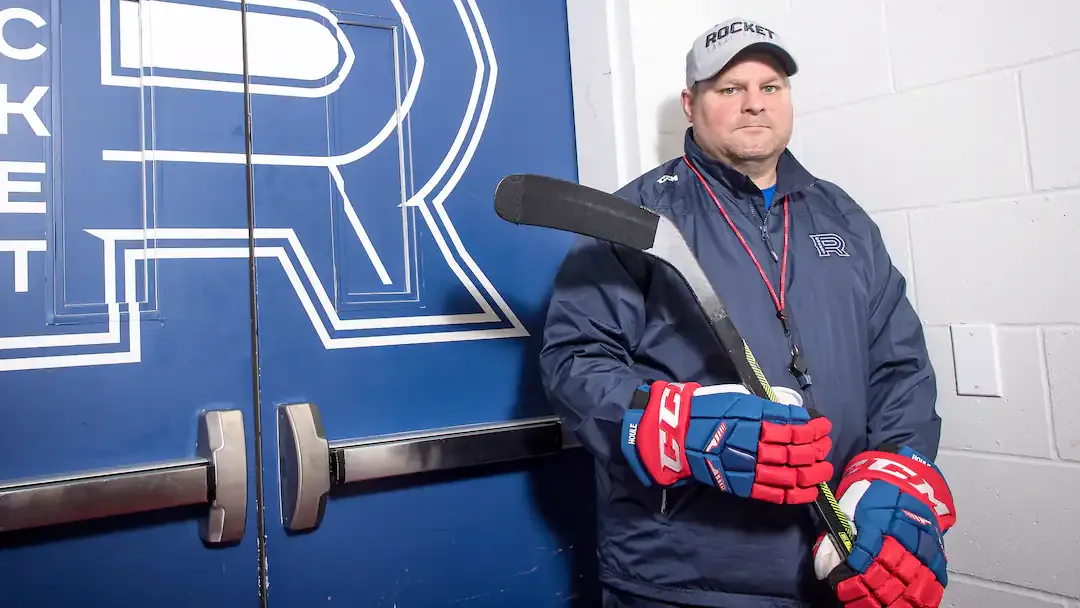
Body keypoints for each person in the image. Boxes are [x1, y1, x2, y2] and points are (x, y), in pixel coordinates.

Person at [538, 17, 957, 608]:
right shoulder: (631, 219)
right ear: (691, 103)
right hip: (683, 577)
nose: (754, 105)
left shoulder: (844, 219)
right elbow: (573, 365)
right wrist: (674, 427)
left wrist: (895, 471)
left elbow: (899, 367)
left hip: (836, 565)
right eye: (730, 89)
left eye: (771, 87)